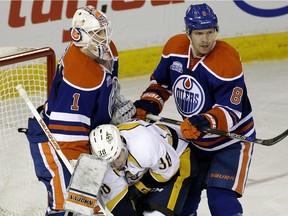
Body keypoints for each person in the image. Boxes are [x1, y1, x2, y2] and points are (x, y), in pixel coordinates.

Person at [131, 3, 255, 216]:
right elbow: (162, 84)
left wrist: (202, 122)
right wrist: (149, 103)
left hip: (232, 140)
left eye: (210, 32)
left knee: (221, 199)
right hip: (195, 140)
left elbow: (230, 112)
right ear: (188, 33)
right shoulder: (174, 49)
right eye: (199, 33)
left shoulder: (227, 60)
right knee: (185, 198)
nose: (205, 39)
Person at [25, 5, 134, 216]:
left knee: (93, 208)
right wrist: (84, 180)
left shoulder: (104, 50)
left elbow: (110, 85)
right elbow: (68, 140)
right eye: (97, 34)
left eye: (103, 32)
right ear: (79, 36)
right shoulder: (81, 76)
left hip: (83, 137)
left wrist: (115, 106)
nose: (103, 38)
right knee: (68, 208)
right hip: (57, 144)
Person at [89, 119, 198, 216]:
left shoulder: (143, 145)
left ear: (122, 144)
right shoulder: (103, 168)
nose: (115, 165)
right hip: (146, 171)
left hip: (178, 157)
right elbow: (119, 206)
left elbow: (168, 170)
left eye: (117, 157)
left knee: (155, 214)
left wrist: (139, 188)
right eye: (109, 162)